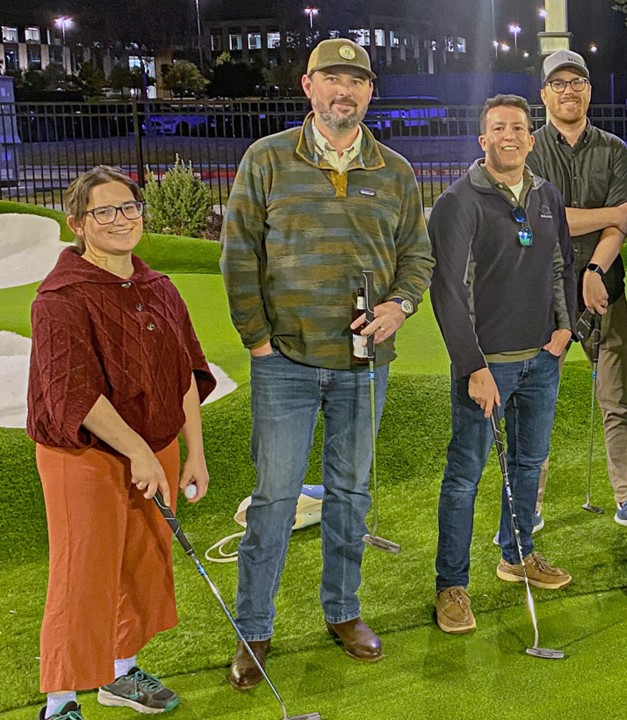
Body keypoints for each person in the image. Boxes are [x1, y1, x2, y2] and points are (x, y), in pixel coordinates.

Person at [220, 38, 434, 685]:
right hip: (284, 362)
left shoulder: (394, 170)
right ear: (308, 86)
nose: (345, 91)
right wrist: (258, 341)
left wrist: (400, 305)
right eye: (332, 79)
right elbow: (239, 255)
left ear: (370, 92)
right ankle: (254, 629)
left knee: (350, 494)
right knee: (275, 499)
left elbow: (416, 257)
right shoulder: (267, 159)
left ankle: (342, 612)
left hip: (364, 365)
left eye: (356, 81)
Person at [28, 166, 216, 720]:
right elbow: (73, 394)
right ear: (77, 223)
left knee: (143, 562)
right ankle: (60, 702)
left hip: (155, 447)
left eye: (129, 207)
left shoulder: (160, 288)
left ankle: (120, 671)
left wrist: (194, 451)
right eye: (104, 211)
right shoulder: (59, 298)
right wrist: (136, 451)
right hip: (83, 455)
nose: (120, 220)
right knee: (83, 571)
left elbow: (184, 372)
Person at [429, 94, 576, 635]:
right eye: (498, 128)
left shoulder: (546, 195)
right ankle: (451, 585)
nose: (508, 136)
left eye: (517, 127)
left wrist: (564, 328)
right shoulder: (457, 202)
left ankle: (517, 556)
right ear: (482, 139)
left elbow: (561, 264)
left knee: (529, 464)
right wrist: (473, 366)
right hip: (487, 367)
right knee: (464, 476)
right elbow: (448, 291)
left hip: (541, 360)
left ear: (530, 139)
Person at [525, 49, 627, 536]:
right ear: (544, 94)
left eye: (576, 82)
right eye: (558, 83)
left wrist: (596, 268)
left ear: (589, 91)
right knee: (535, 404)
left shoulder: (613, 149)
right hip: (542, 296)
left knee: (617, 401)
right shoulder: (529, 149)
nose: (568, 91)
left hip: (606, 291)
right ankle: (527, 508)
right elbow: (542, 219)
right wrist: (608, 215)